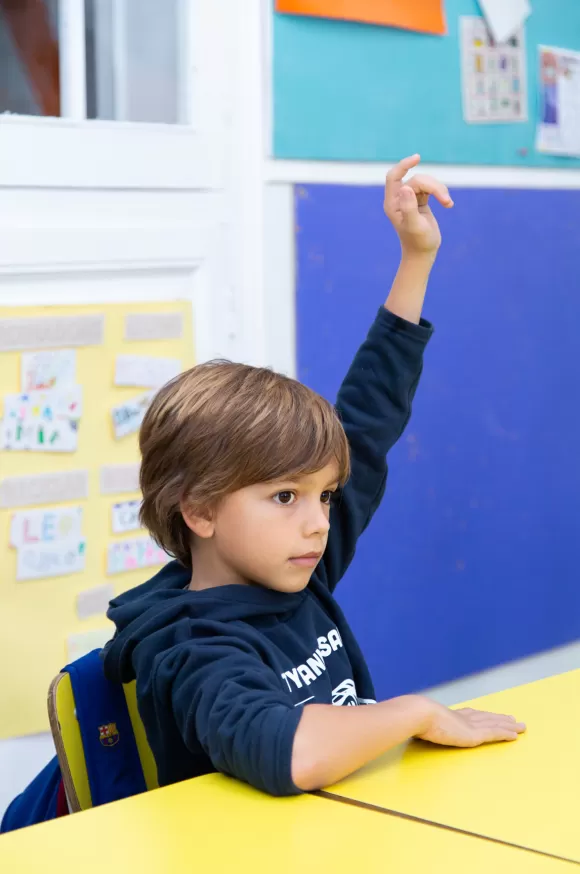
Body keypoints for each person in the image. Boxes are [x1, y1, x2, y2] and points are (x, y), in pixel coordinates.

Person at [103, 155, 526, 796]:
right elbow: (285, 754)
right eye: (284, 496)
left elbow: (369, 416)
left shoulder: (297, 566)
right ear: (199, 510)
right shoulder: (191, 647)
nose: (319, 521)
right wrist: (413, 712)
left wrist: (416, 258)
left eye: (325, 495)